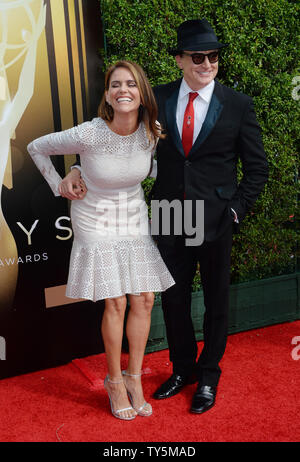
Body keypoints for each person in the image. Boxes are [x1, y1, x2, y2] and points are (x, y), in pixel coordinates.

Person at [63, 19, 269, 415]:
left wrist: (237, 210)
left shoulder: (239, 105)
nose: (206, 63)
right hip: (172, 212)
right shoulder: (154, 99)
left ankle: (209, 375)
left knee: (216, 301)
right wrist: (75, 168)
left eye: (212, 56)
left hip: (216, 216)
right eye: (197, 57)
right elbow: (107, 137)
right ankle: (183, 369)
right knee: (172, 298)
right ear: (179, 60)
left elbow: (256, 167)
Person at [27, 60, 175, 421]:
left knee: (144, 298)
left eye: (131, 85)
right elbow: (35, 146)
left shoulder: (150, 130)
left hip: (133, 214)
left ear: (142, 94)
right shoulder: (90, 133)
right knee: (117, 302)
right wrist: (62, 180)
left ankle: (134, 378)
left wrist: (79, 167)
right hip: (94, 216)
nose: (123, 90)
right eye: (115, 85)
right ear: (108, 95)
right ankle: (113, 380)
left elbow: (151, 168)